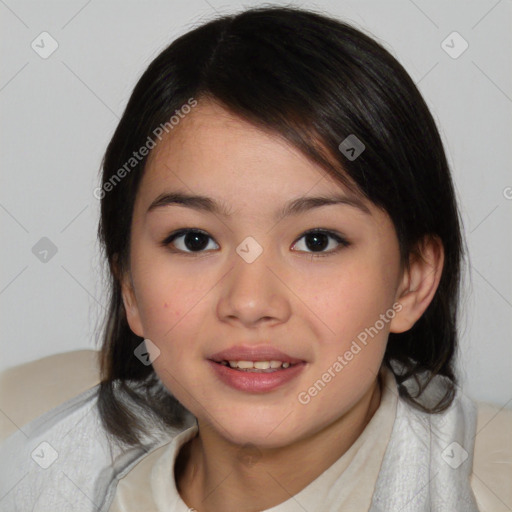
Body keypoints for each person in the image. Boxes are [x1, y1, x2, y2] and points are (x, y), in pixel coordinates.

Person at [0, 5, 510, 512]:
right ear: (130, 286)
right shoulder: (34, 479)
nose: (249, 302)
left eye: (317, 241)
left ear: (411, 282)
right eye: (194, 240)